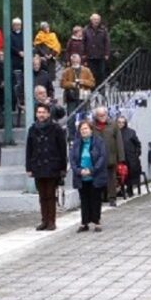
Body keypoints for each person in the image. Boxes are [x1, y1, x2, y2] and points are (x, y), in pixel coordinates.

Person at [26, 103, 67, 231]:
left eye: (43, 112)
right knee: (42, 195)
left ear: (48, 114)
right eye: (39, 112)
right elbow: (29, 149)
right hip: (38, 166)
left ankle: (51, 221)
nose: (41, 115)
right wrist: (29, 167)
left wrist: (63, 168)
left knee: (50, 194)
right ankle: (44, 220)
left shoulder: (56, 128)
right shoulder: (32, 129)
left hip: (52, 165)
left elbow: (62, 149)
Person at [70, 120, 107, 232]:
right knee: (84, 200)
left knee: (95, 199)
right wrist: (78, 170)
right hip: (81, 176)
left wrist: (92, 170)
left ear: (91, 130)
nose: (84, 131)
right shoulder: (76, 143)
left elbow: (102, 157)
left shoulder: (98, 141)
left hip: (95, 175)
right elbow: (72, 159)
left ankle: (97, 221)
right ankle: (84, 222)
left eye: (86, 128)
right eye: (82, 129)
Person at [92, 106, 125, 207]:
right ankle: (99, 197)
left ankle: (112, 198)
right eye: (99, 115)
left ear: (106, 114)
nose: (102, 117)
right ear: (96, 116)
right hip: (97, 158)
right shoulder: (92, 126)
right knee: (97, 178)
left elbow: (119, 141)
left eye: (103, 115)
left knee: (111, 178)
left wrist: (121, 158)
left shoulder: (113, 125)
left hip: (111, 156)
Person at [60, 53, 95, 134]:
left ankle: (84, 134)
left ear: (80, 60)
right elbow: (62, 84)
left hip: (83, 97)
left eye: (76, 60)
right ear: (71, 61)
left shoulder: (86, 70)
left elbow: (92, 83)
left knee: (84, 117)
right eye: (73, 60)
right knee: (71, 118)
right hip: (71, 98)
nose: (75, 61)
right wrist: (72, 84)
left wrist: (83, 82)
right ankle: (71, 137)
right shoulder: (67, 71)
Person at [117, 116, 142, 197]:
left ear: (125, 123)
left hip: (131, 158)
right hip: (120, 158)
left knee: (131, 172)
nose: (121, 124)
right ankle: (121, 190)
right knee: (120, 173)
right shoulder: (115, 133)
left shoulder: (131, 132)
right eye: (119, 122)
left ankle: (129, 190)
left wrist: (137, 154)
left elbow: (138, 144)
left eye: (122, 122)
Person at [83, 13, 111, 86]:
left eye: (98, 19)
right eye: (95, 19)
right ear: (91, 20)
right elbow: (83, 42)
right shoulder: (86, 30)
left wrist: (107, 53)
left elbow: (107, 42)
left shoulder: (103, 29)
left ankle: (101, 89)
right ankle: (92, 88)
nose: (96, 21)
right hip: (90, 55)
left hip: (101, 55)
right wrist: (84, 53)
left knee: (101, 73)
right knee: (91, 73)